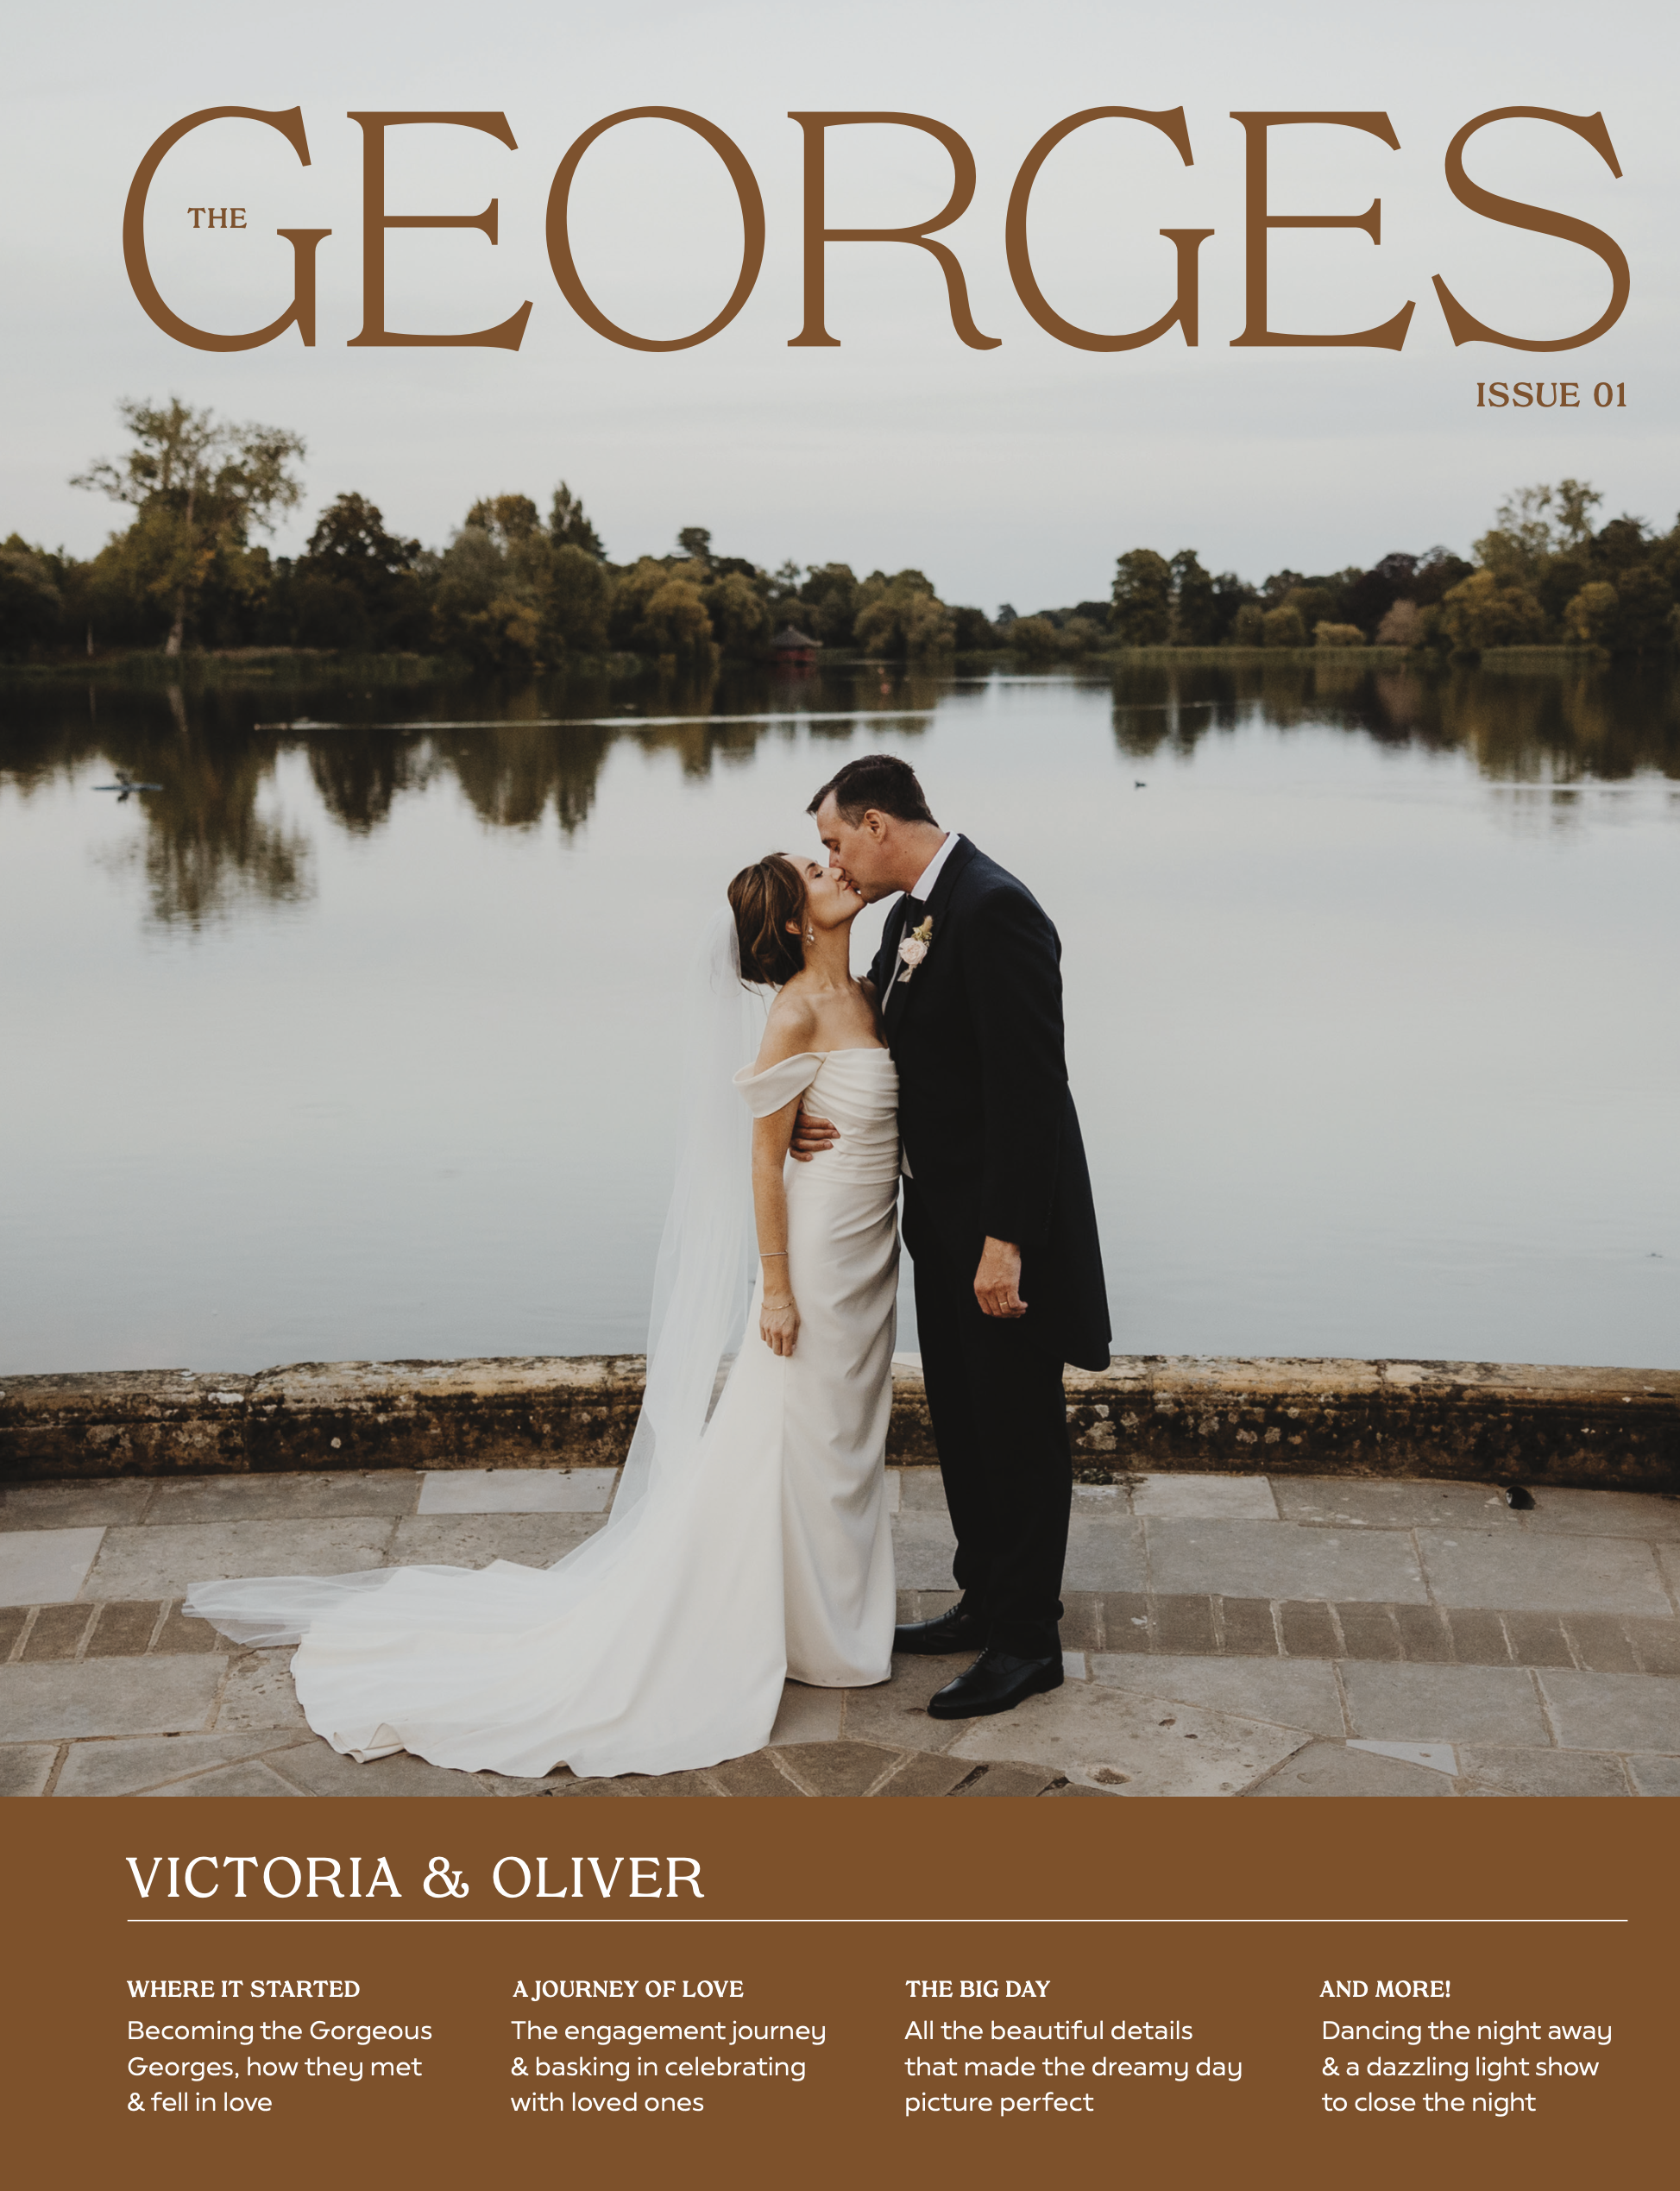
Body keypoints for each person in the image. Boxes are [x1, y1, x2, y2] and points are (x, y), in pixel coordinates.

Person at [183, 851, 901, 1780]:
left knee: (842, 1433)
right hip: (809, 1255)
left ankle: (826, 1619)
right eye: (815, 869)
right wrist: (773, 1286)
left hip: (867, 1253)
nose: (833, 867)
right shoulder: (795, 1009)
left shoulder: (873, 993)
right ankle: (757, 1617)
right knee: (786, 1426)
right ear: (798, 922)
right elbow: (761, 1161)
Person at [804, 753, 1111, 1722]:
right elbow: (905, 1065)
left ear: (878, 825)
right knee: (966, 1422)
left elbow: (1030, 1092)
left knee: (1016, 1427)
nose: (833, 859)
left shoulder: (994, 908)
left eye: (833, 840)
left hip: (996, 1233)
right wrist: (817, 1112)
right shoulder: (907, 918)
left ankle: (1028, 1640)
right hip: (934, 1221)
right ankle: (984, 1599)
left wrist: (1006, 1240)